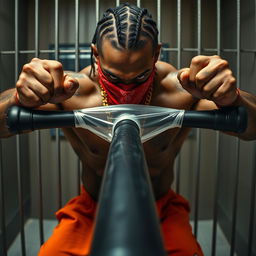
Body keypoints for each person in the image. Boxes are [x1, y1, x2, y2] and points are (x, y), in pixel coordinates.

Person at [1, 2, 256, 256]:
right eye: (113, 78)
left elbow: (251, 128)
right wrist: (20, 98)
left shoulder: (181, 90)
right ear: (96, 54)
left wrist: (232, 97)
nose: (125, 91)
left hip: (162, 209)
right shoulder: (71, 92)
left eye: (139, 77)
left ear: (156, 54)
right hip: (91, 209)